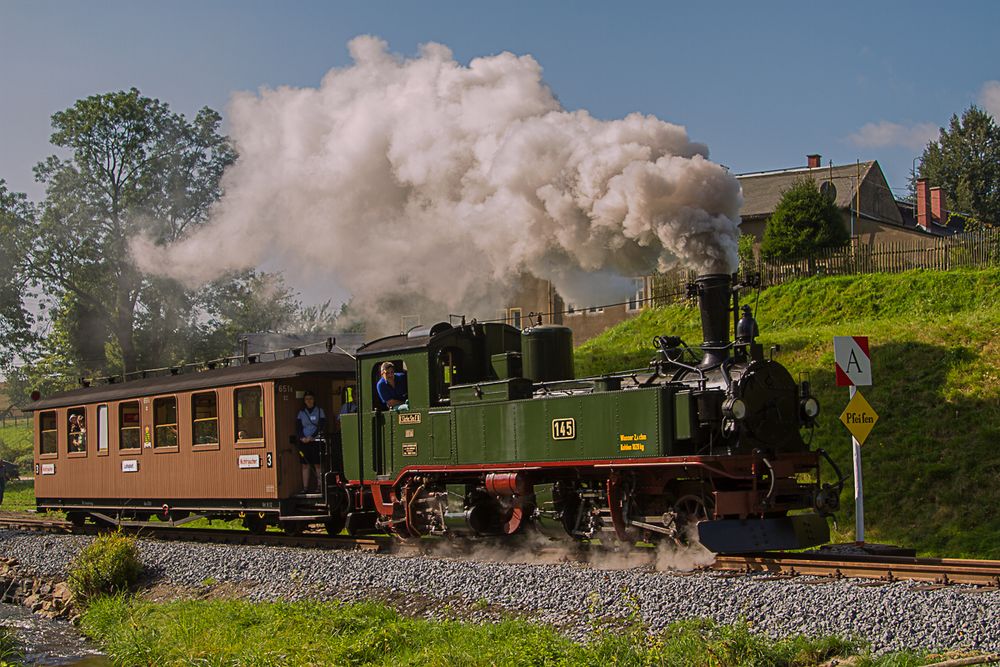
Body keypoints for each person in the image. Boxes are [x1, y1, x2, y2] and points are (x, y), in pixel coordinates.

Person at [295, 392, 326, 493]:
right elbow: (298, 427)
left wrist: (312, 437)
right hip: (304, 442)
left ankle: (320, 486)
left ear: (314, 400)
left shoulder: (319, 411)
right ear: (304, 401)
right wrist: (302, 437)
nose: (309, 400)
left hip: (316, 441)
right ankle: (305, 488)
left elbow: (321, 425)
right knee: (305, 465)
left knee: (317, 464)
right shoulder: (301, 412)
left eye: (311, 398)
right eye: (307, 399)